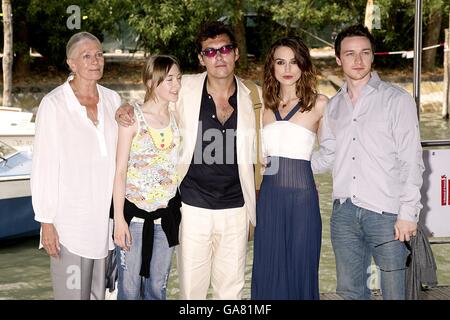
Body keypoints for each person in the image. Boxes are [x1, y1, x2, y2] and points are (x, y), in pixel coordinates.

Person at [116, 21, 259, 299]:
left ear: (237, 53)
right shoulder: (186, 88)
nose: (219, 56)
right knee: (191, 292)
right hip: (192, 208)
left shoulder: (253, 94)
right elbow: (152, 98)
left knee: (231, 291)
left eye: (225, 49)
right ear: (200, 58)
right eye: (210, 51)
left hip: (236, 209)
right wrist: (124, 107)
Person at [311, 24, 424, 300]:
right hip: (344, 213)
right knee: (350, 292)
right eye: (350, 54)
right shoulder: (333, 106)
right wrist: (284, 163)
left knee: (395, 294)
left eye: (364, 53)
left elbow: (411, 159)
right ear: (338, 59)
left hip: (386, 213)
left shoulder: (397, 100)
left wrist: (408, 213)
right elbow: (327, 156)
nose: (358, 61)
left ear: (373, 56)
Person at [31, 32, 121, 300]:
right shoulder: (54, 104)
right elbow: (43, 166)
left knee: (98, 296)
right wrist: (46, 221)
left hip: (104, 227)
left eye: (99, 55)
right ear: (71, 64)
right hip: (69, 226)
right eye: (86, 56)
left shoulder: (112, 100)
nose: (95, 61)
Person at [251, 37, 328, 300]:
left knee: (301, 268)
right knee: (269, 268)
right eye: (280, 62)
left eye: (294, 62)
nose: (287, 68)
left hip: (303, 200)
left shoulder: (320, 104)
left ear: (303, 65)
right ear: (271, 66)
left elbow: (332, 153)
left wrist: (302, 168)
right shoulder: (262, 105)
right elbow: (254, 151)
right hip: (270, 199)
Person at [112, 55, 182, 300]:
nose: (176, 85)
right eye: (169, 79)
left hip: (166, 220)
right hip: (134, 220)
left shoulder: (177, 120)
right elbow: (120, 172)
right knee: (129, 291)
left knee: (157, 290)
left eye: (178, 79)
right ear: (152, 81)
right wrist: (119, 220)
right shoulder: (132, 119)